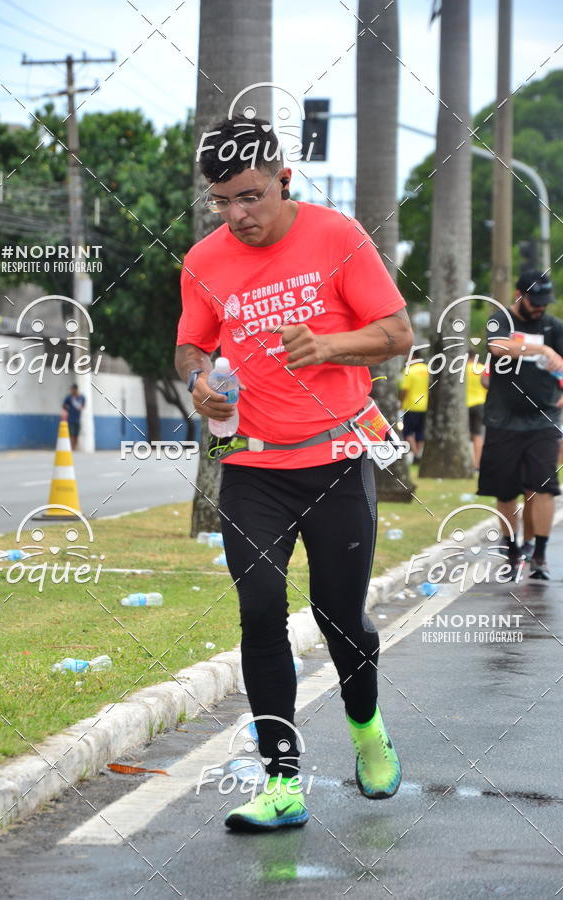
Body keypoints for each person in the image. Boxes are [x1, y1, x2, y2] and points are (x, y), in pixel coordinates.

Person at [175, 117, 413, 832]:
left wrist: (330, 343)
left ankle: (366, 726)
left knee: (341, 620)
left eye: (249, 196)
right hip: (249, 463)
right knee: (258, 613)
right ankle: (282, 781)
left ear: (285, 179)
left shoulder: (338, 238)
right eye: (221, 202)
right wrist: (198, 383)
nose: (236, 215)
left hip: (337, 459)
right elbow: (190, 344)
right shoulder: (203, 260)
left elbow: (398, 334)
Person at [478, 270, 563, 579]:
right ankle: (512, 549)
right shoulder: (500, 319)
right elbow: (499, 347)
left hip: (543, 419)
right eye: (534, 301)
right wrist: (541, 350)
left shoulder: (554, 327)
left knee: (543, 486)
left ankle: (539, 555)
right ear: (519, 295)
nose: (540, 307)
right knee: (506, 492)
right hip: (503, 420)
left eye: (544, 301)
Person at [398, 357, 429, 462]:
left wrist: (401, 402)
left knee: (408, 431)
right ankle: (419, 453)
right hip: (425, 405)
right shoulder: (428, 369)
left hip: (411, 405)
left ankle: (415, 453)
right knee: (420, 432)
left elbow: (405, 389)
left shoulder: (409, 370)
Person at [465, 353, 488, 471]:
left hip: (465, 404)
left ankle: (466, 462)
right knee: (478, 435)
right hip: (480, 402)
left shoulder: (462, 369)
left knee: (465, 434)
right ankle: (477, 464)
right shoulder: (482, 368)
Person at [62, 384, 85, 451]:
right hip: (70, 419)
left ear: (75, 389)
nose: (71, 391)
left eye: (72, 389)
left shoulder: (81, 397)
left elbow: (83, 405)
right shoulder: (69, 397)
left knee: (76, 435)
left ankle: (74, 447)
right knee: (71, 434)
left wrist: (80, 407)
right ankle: (71, 447)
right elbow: (64, 405)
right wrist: (67, 408)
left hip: (78, 419)